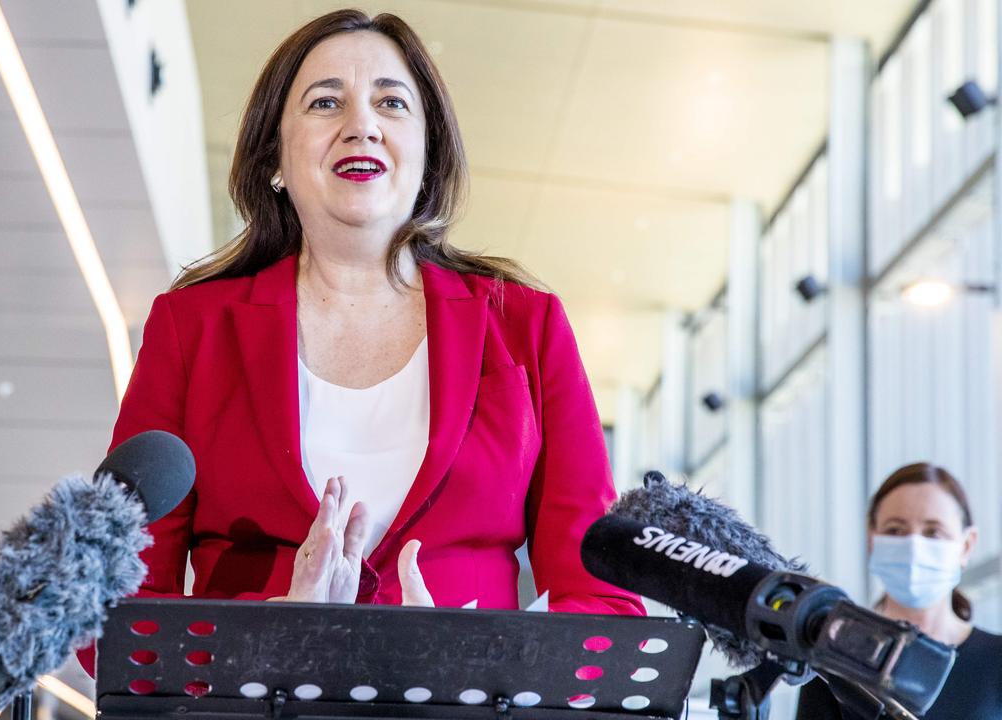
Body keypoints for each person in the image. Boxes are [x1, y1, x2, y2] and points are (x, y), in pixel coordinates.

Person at [78, 8, 642, 675]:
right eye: (325, 103)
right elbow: (110, 616)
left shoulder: (528, 328)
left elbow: (604, 602)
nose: (362, 124)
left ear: (427, 152)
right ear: (275, 161)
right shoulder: (191, 329)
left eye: (391, 102)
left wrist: (483, 659)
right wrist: (269, 635)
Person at [795, 463, 1001, 719]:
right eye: (895, 530)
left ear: (966, 545)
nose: (914, 546)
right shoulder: (834, 659)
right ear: (872, 538)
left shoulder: (996, 660)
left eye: (933, 532)